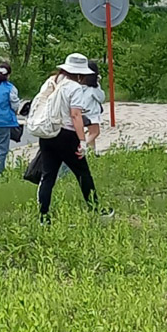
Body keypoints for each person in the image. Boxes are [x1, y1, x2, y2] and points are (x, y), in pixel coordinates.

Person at [36, 53, 110, 223]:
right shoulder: (74, 87)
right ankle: (96, 209)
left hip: (48, 133)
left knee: (48, 176)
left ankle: (43, 215)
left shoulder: (51, 82)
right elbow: (75, 115)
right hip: (66, 135)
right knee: (83, 173)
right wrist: (82, 141)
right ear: (80, 73)